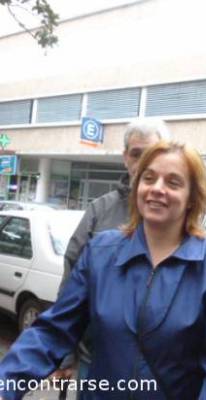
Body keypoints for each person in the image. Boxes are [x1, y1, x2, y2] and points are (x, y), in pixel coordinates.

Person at [0, 141, 206, 399]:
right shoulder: (101, 252)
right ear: (137, 187)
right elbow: (54, 330)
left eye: (173, 182)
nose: (157, 189)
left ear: (192, 198)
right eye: (149, 178)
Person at [54, 118, 169, 388]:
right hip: (97, 361)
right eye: (135, 153)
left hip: (160, 369)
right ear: (125, 157)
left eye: (149, 153)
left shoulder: (177, 214)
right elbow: (70, 285)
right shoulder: (99, 211)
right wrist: (64, 355)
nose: (141, 162)